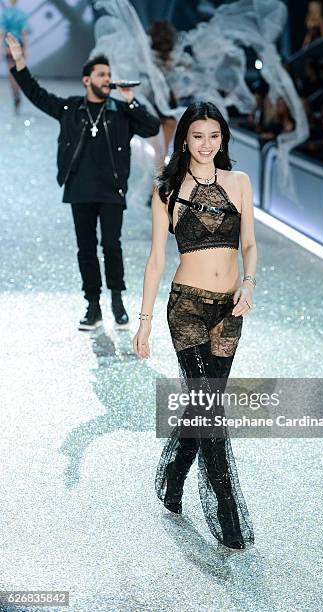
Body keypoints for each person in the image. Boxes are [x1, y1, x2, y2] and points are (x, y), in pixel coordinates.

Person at [133, 101, 257, 549]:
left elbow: (249, 245)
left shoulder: (239, 182)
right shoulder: (167, 188)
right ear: (184, 137)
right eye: (198, 136)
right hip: (185, 307)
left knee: (204, 406)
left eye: (215, 136)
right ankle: (228, 519)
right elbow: (154, 261)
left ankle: (172, 475)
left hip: (230, 310)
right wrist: (144, 324)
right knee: (210, 410)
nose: (206, 145)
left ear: (223, 139)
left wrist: (250, 284)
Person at [6, 33, 160, 330]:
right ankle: (93, 306)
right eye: (101, 75)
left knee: (112, 246)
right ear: (86, 80)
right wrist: (20, 62)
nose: (107, 79)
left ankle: (117, 301)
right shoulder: (71, 109)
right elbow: (36, 94)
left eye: (109, 75)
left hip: (111, 191)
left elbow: (151, 127)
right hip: (79, 189)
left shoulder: (121, 111)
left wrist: (130, 100)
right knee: (86, 249)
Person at [0, 0, 28, 113]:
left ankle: (15, 97)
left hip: (8, 45)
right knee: (19, 71)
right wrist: (25, 50)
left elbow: (2, 33)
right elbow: (24, 33)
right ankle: (18, 95)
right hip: (18, 45)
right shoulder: (21, 14)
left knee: (12, 73)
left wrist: (1, 49)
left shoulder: (5, 14)